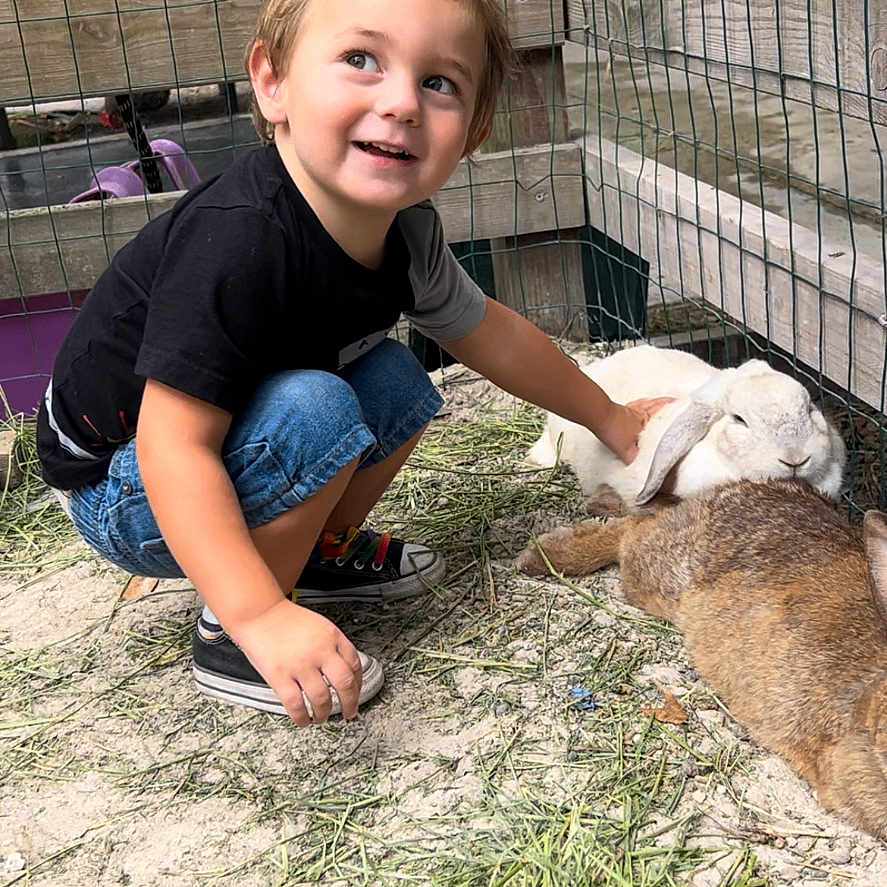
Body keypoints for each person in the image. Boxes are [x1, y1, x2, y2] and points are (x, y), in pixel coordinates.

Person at [37, 0, 670, 727]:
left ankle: (305, 552)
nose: (401, 102)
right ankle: (233, 632)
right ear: (271, 84)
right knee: (318, 409)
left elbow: (489, 333)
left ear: (474, 131)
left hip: (205, 444)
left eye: (440, 83)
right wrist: (259, 614)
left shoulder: (406, 233)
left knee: (398, 379)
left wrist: (612, 420)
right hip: (119, 483)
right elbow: (170, 444)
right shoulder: (238, 245)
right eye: (361, 60)